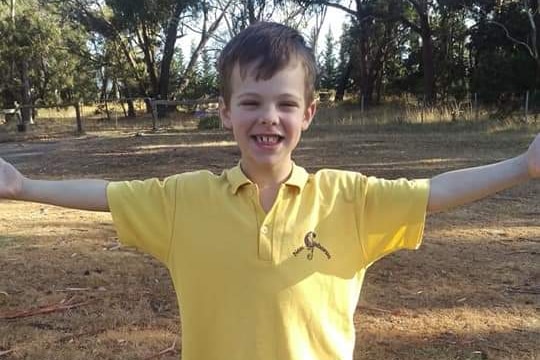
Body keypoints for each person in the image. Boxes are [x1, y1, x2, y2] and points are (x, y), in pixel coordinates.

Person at [0, 22, 538, 360]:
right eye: (251, 102)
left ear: (308, 113)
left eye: (284, 104)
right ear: (225, 112)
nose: (268, 118)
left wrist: (523, 165)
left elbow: (433, 191)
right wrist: (23, 186)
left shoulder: (348, 199)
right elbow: (108, 193)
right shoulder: (182, 200)